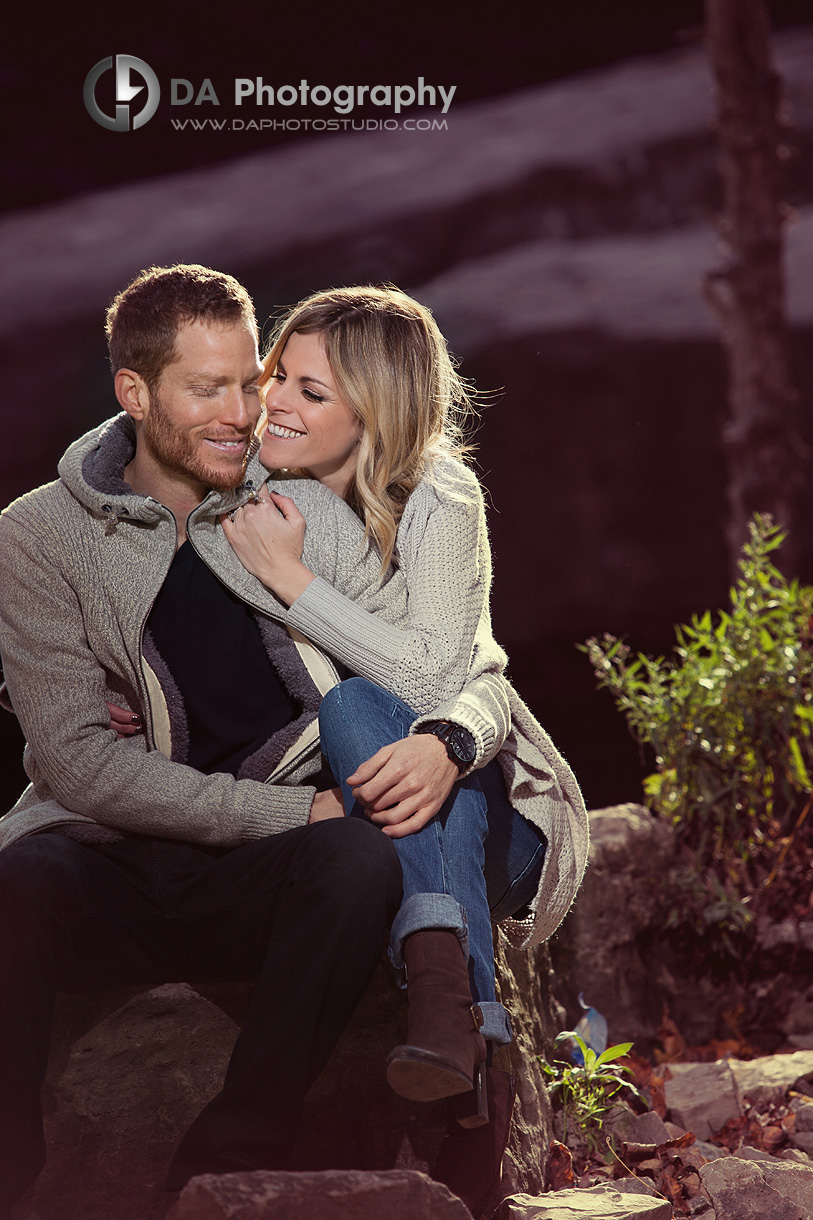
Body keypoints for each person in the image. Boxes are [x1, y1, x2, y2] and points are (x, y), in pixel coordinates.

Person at [0, 265, 512, 1212]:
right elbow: (77, 764)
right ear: (134, 393)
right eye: (211, 389)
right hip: (119, 855)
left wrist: (449, 737)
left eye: (255, 379)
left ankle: (230, 1160)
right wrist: (293, 806)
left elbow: (450, 660)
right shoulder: (37, 537)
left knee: (355, 859)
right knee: (20, 879)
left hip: (264, 871)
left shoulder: (300, 501)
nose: (246, 412)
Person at [221, 285, 590, 1208]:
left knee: (368, 717)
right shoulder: (257, 493)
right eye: (278, 377)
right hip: (384, 800)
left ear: (373, 411)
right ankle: (462, 1034)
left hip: (498, 818)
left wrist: (296, 584)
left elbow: (453, 680)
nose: (276, 403)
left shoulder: (441, 495)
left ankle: (441, 991)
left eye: (312, 392)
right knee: (355, 718)